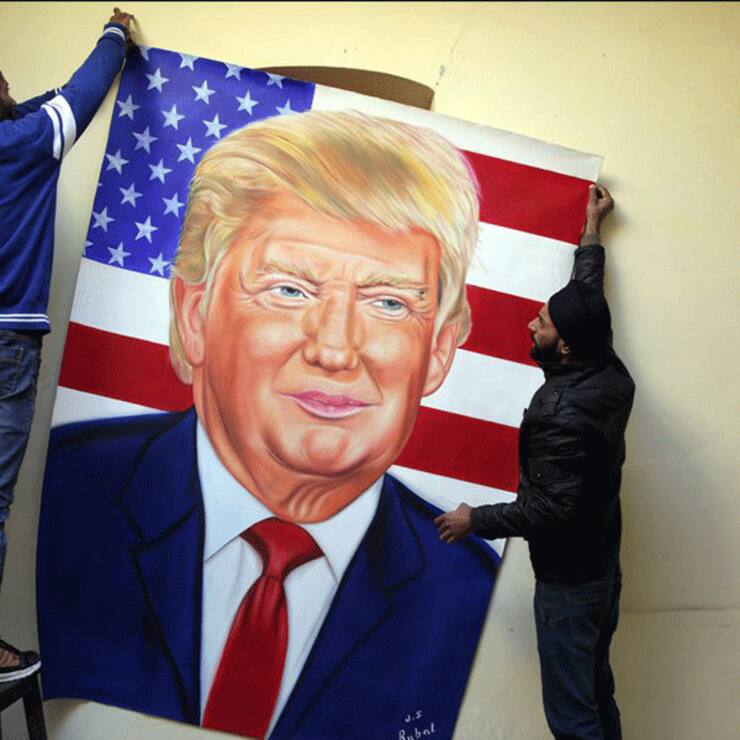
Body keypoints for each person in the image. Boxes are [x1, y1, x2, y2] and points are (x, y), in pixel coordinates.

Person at [37, 110, 500, 739]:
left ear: (439, 352)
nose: (335, 349)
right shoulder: (64, 491)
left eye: (389, 303)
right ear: (195, 317)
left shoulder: (472, 593)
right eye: (289, 290)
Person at [435, 184, 634, 740]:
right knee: (596, 696)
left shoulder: (562, 414)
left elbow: (549, 509)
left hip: (570, 587)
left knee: (573, 719)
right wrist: (592, 230)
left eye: (542, 323)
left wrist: (474, 520)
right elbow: (585, 297)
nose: (531, 323)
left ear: (565, 345)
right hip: (602, 570)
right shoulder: (605, 368)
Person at [0, 7, 134, 681]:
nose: (10, 87)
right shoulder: (22, 143)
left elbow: (44, 104)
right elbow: (78, 98)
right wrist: (115, 34)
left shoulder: (18, 133)